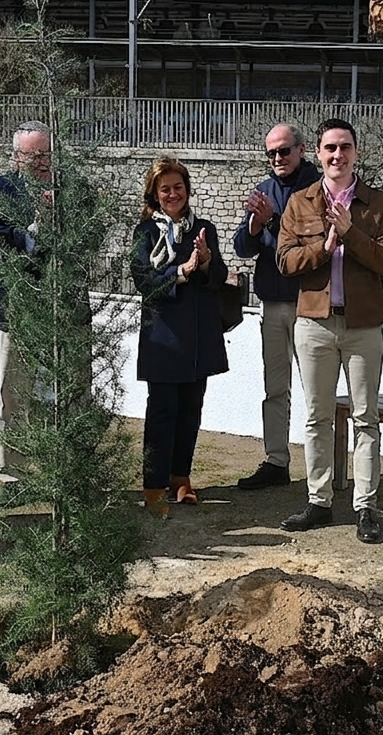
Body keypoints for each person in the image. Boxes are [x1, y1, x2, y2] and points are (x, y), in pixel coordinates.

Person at [276, 118, 383, 544]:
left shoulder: (379, 204)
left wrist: (352, 233)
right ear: (318, 152)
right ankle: (319, 501)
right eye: (330, 148)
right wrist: (324, 247)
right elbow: (285, 261)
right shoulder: (300, 203)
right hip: (313, 324)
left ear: (356, 153)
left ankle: (365, 506)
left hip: (364, 325)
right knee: (317, 417)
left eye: (345, 147)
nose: (337, 155)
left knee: (366, 417)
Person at [130, 157, 229, 514]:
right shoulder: (145, 233)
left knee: (191, 411)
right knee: (162, 414)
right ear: (155, 195)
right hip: (163, 338)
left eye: (178, 187)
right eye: (165, 189)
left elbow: (218, 276)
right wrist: (182, 273)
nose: (173, 194)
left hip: (199, 337)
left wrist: (204, 261)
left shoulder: (204, 228)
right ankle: (154, 487)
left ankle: (180, 479)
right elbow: (143, 280)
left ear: (187, 190)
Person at [232, 123, 321, 490]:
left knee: (317, 391)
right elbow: (242, 246)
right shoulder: (264, 189)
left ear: (301, 150)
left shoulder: (318, 188)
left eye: (284, 151)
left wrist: (270, 220)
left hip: (310, 303)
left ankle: (324, 466)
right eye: (271, 153)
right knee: (275, 387)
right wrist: (255, 226)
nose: (277, 159)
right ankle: (276, 460)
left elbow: (307, 239)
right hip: (273, 303)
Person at [0, 121, 53, 481]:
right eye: (31, 155)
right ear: (16, 157)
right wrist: (26, 239)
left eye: (45, 154)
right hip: (14, 311)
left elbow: (93, 234)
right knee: (12, 396)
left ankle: (59, 470)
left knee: (62, 396)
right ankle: (14, 475)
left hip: (61, 312)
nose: (39, 162)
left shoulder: (69, 190)